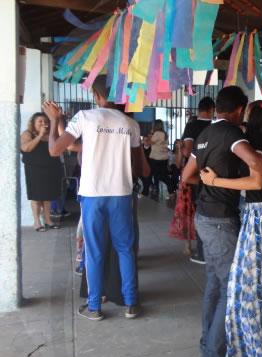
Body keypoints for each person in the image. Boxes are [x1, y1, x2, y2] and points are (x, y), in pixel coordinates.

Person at [181, 86, 262, 357]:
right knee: (233, 293)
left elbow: (187, 176)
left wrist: (210, 183)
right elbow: (256, 165)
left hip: (205, 217)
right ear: (240, 109)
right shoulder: (231, 134)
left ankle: (207, 351)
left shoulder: (204, 135)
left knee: (215, 286)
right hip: (221, 221)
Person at [43, 75, 144, 321]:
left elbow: (55, 149)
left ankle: (94, 307)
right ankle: (131, 304)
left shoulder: (85, 118)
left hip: (93, 194)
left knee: (95, 251)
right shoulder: (130, 123)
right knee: (125, 249)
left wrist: (55, 119)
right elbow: (136, 164)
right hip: (121, 193)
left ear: (96, 95)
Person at [180, 96, 215, 264]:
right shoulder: (214, 127)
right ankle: (210, 246)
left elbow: (186, 152)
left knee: (193, 209)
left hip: (194, 174)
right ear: (211, 110)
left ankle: (199, 249)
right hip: (215, 173)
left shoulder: (192, 126)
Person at [20, 112, 63, 232]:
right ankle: (37, 222)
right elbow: (26, 148)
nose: (44, 124)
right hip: (34, 169)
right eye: (40, 121)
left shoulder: (50, 135)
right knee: (36, 197)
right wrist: (39, 135)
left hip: (50, 169)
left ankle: (48, 220)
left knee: (48, 196)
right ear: (33, 123)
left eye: (46, 122)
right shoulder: (27, 134)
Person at [149, 119, 174, 198]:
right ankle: (170, 191)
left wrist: (151, 134)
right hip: (164, 158)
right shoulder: (165, 134)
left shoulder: (157, 133)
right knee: (162, 175)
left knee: (158, 175)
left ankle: (160, 189)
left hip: (156, 158)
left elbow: (150, 142)